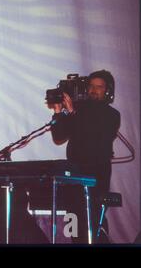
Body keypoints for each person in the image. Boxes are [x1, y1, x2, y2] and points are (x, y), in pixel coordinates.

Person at [49, 69, 120, 243]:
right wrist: (59, 113)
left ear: (108, 91)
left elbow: (93, 137)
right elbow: (59, 137)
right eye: (91, 86)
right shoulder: (78, 110)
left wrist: (72, 113)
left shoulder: (112, 115)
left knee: (93, 220)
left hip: (96, 174)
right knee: (73, 218)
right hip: (74, 172)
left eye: (99, 87)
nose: (93, 90)